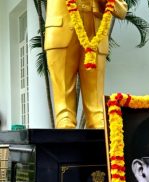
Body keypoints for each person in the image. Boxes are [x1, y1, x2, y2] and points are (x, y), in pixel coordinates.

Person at [44, 0, 128, 128]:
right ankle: (64, 120)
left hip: (95, 34)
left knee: (96, 110)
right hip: (62, 29)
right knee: (64, 111)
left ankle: (97, 122)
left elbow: (121, 10)